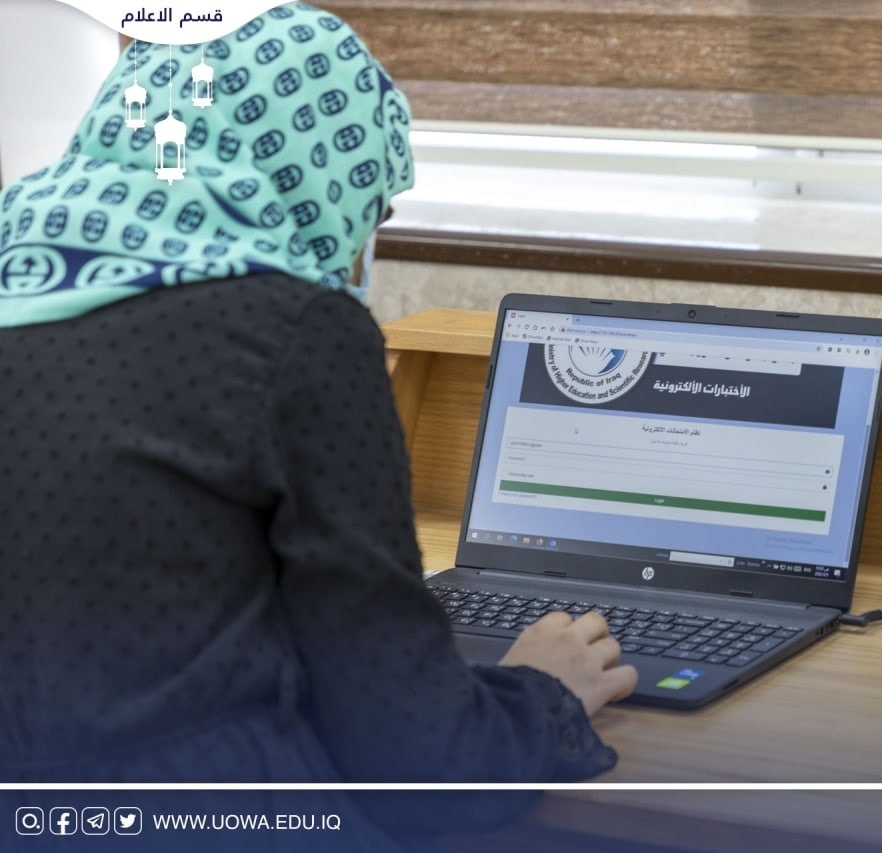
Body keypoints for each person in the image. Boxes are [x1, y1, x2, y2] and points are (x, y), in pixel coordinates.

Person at [0, 3, 636, 849]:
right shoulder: (295, 330)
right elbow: (420, 767)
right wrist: (541, 689)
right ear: (317, 173)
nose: (362, 248)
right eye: (372, 208)